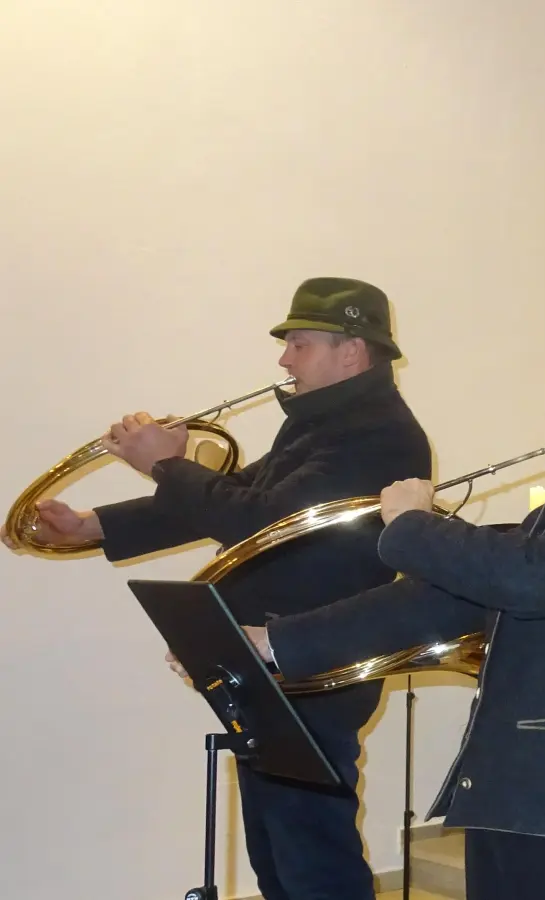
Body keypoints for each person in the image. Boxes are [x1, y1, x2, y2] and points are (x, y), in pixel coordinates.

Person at [253, 321, 545, 900]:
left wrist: (410, 524)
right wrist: (276, 643)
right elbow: (439, 598)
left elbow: (525, 578)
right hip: (518, 794)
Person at [3, 278, 431, 900]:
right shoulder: (323, 425)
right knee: (277, 853)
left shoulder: (380, 434)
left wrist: (167, 464)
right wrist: (91, 528)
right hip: (269, 664)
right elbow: (237, 501)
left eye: (299, 344)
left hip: (313, 664)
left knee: (313, 858)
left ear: (353, 352)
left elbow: (257, 521)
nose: (283, 358)